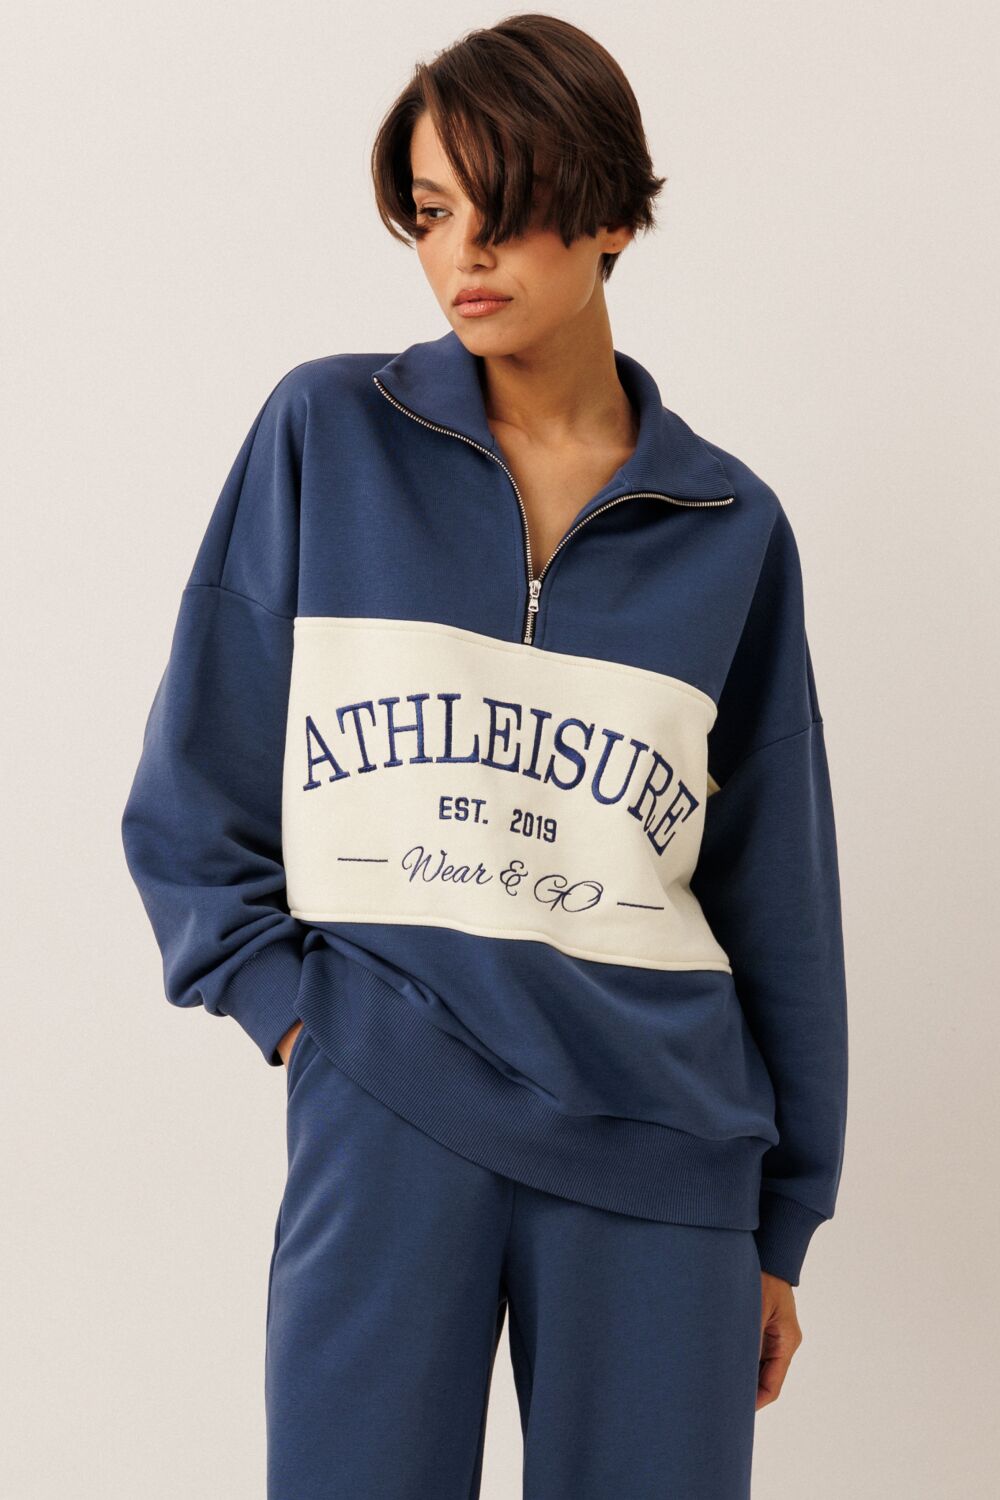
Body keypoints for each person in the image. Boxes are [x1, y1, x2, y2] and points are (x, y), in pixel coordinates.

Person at [121, 13, 848, 1498]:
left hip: (665, 1153)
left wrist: (782, 1224)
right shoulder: (329, 433)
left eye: (504, 208)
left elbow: (780, 894)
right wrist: (304, 1022)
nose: (464, 255)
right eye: (433, 213)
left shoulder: (731, 527)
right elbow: (195, 795)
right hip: (387, 1106)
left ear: (610, 212)